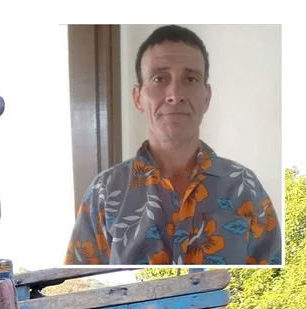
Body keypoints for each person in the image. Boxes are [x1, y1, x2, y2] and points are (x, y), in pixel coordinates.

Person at [66, 25, 280, 266]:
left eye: (190, 79)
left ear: (206, 97)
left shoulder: (246, 188)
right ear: (138, 98)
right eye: (159, 78)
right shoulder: (103, 193)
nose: (175, 93)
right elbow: (79, 287)